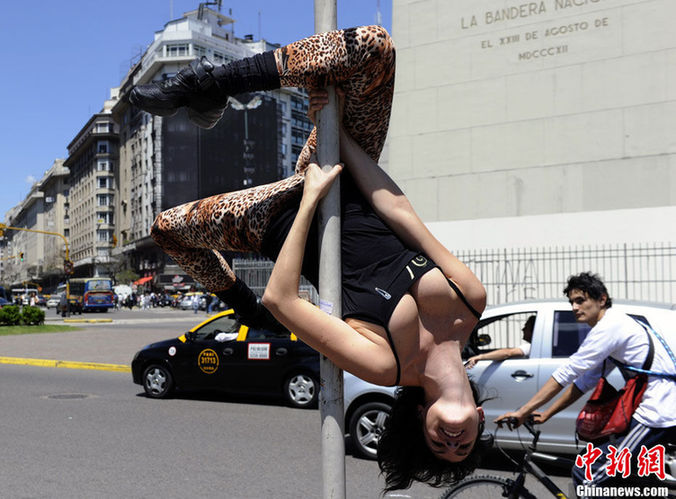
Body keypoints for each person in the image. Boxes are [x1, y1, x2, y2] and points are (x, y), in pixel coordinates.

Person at [131, 25, 488, 491]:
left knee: (167, 231)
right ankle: (208, 86)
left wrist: (307, 201)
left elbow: (283, 298)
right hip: (343, 172)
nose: (453, 441)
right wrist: (335, 135)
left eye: (440, 445)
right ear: (480, 419)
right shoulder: (470, 300)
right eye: (463, 445)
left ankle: (242, 308)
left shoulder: (386, 365)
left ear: (421, 420)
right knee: (375, 50)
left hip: (277, 219)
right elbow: (399, 211)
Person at [496, 272, 676, 495]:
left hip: (658, 412)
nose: (574, 307)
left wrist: (523, 411)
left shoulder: (609, 326)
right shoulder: (614, 325)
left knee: (587, 471)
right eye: (571, 301)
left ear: (601, 299)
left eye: (580, 300)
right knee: (621, 474)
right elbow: (585, 381)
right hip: (658, 408)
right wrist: (547, 413)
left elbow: (568, 372)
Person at [465, 315, 535, 369]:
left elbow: (508, 353)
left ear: (533, 331)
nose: (523, 329)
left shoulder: (531, 347)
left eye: (526, 327)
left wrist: (480, 357)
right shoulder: (534, 347)